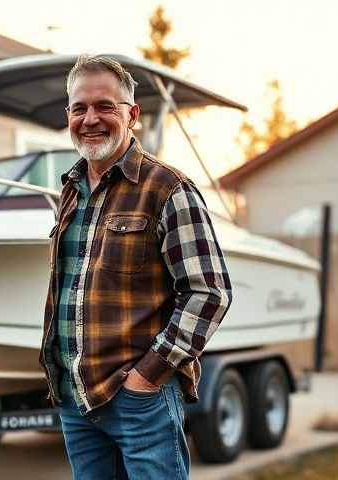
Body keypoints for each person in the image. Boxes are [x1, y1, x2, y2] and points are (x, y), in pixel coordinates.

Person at [40, 55, 233, 479]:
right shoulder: (71, 191)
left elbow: (209, 292)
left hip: (140, 399)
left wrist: (147, 378)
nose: (90, 118)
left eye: (105, 106)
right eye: (79, 108)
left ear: (132, 115)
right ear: (68, 115)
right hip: (77, 398)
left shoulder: (168, 188)